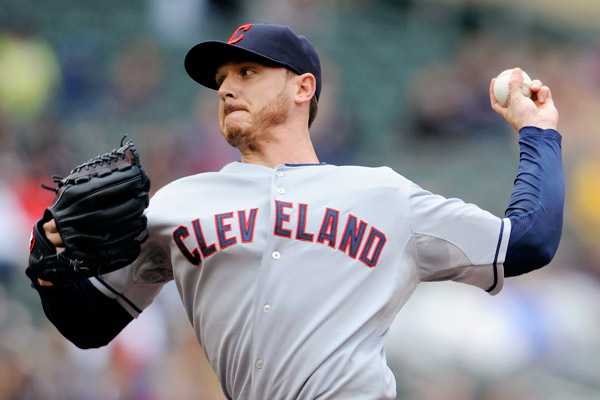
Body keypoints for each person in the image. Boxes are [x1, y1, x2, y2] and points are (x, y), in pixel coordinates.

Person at [28, 23, 564, 399]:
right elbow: (91, 325)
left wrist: (538, 132)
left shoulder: (383, 194)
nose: (226, 88)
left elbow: (527, 241)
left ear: (304, 87)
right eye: (221, 80)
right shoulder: (178, 203)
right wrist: (48, 267)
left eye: (247, 72)